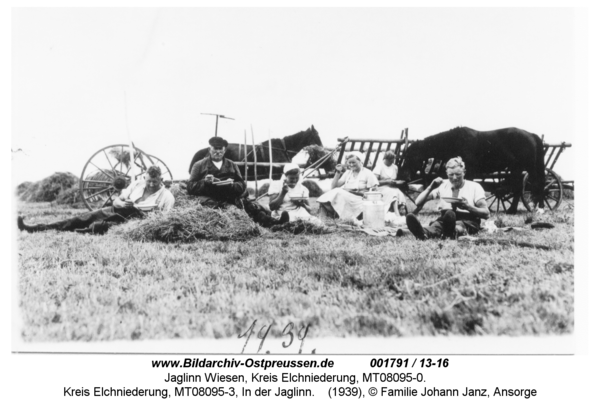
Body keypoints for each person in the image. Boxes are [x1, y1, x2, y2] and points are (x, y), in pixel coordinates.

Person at [17, 165, 175, 234]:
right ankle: (36, 227)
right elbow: (118, 199)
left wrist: (141, 220)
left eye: (155, 181)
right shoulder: (137, 184)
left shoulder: (167, 197)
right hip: (118, 211)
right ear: (145, 177)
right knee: (84, 217)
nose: (152, 184)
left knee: (100, 226)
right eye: (149, 181)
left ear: (161, 179)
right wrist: (119, 202)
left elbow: (164, 221)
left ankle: (88, 230)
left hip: (136, 220)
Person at [187, 136, 289, 227]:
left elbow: (241, 185)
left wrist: (232, 186)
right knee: (222, 210)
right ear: (210, 149)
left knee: (250, 207)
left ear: (224, 150)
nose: (217, 152)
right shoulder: (199, 165)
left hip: (229, 196)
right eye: (215, 148)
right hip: (210, 198)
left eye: (220, 149)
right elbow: (190, 187)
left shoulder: (232, 165)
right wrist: (205, 183)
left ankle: (275, 223)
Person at [402, 156, 490, 240]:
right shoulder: (443, 184)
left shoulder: (474, 187)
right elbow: (418, 202)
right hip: (446, 218)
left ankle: (452, 231)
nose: (454, 178)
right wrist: (430, 187)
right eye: (451, 175)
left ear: (464, 172)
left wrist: (468, 207)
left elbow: (486, 214)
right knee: (437, 225)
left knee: (458, 225)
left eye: (458, 174)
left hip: (468, 220)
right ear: (447, 173)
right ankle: (423, 233)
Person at [317, 152, 380, 220]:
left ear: (360, 161)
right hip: (347, 198)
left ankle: (346, 218)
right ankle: (321, 221)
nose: (351, 165)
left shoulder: (367, 173)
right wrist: (338, 173)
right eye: (349, 163)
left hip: (360, 200)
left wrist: (353, 191)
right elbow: (333, 187)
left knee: (339, 192)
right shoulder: (348, 173)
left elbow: (374, 192)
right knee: (333, 195)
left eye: (353, 162)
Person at [372, 150, 406, 218]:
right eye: (390, 161)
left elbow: (394, 179)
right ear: (385, 159)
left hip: (392, 187)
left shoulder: (395, 167)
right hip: (381, 187)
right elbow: (374, 182)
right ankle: (397, 213)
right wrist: (387, 182)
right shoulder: (379, 166)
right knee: (393, 192)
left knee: (400, 193)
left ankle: (402, 210)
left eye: (392, 161)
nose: (391, 162)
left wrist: (396, 182)